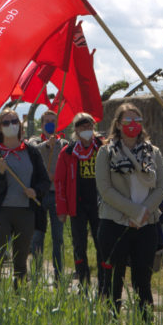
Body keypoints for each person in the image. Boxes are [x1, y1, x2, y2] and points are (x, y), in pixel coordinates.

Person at [96, 103, 163, 320]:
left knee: (142, 281)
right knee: (113, 281)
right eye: (127, 121)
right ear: (118, 124)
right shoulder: (106, 152)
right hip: (115, 223)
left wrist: (144, 212)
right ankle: (111, 322)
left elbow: (161, 187)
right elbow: (105, 190)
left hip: (146, 224)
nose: (133, 125)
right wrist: (133, 212)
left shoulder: (152, 152)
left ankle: (145, 322)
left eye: (137, 121)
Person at [0, 109, 51, 286]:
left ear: (20, 125)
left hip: (25, 212)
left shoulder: (31, 152)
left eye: (14, 121)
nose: (11, 125)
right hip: (1, 212)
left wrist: (35, 191)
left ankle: (19, 296)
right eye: (6, 123)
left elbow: (45, 181)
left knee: (21, 259)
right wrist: (0, 173)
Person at [55, 112, 104, 288]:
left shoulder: (102, 147)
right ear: (76, 129)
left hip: (100, 204)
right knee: (79, 244)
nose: (87, 130)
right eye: (83, 127)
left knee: (102, 244)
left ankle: (103, 284)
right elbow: (60, 181)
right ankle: (83, 282)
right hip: (77, 204)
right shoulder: (68, 152)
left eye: (90, 126)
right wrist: (61, 209)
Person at [28, 110, 67, 279]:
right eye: (47, 121)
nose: (50, 124)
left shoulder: (64, 143)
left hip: (58, 196)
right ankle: (36, 274)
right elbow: (32, 151)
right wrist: (47, 145)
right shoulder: (36, 141)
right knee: (37, 237)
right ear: (42, 124)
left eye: (53, 121)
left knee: (58, 238)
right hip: (40, 196)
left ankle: (59, 275)